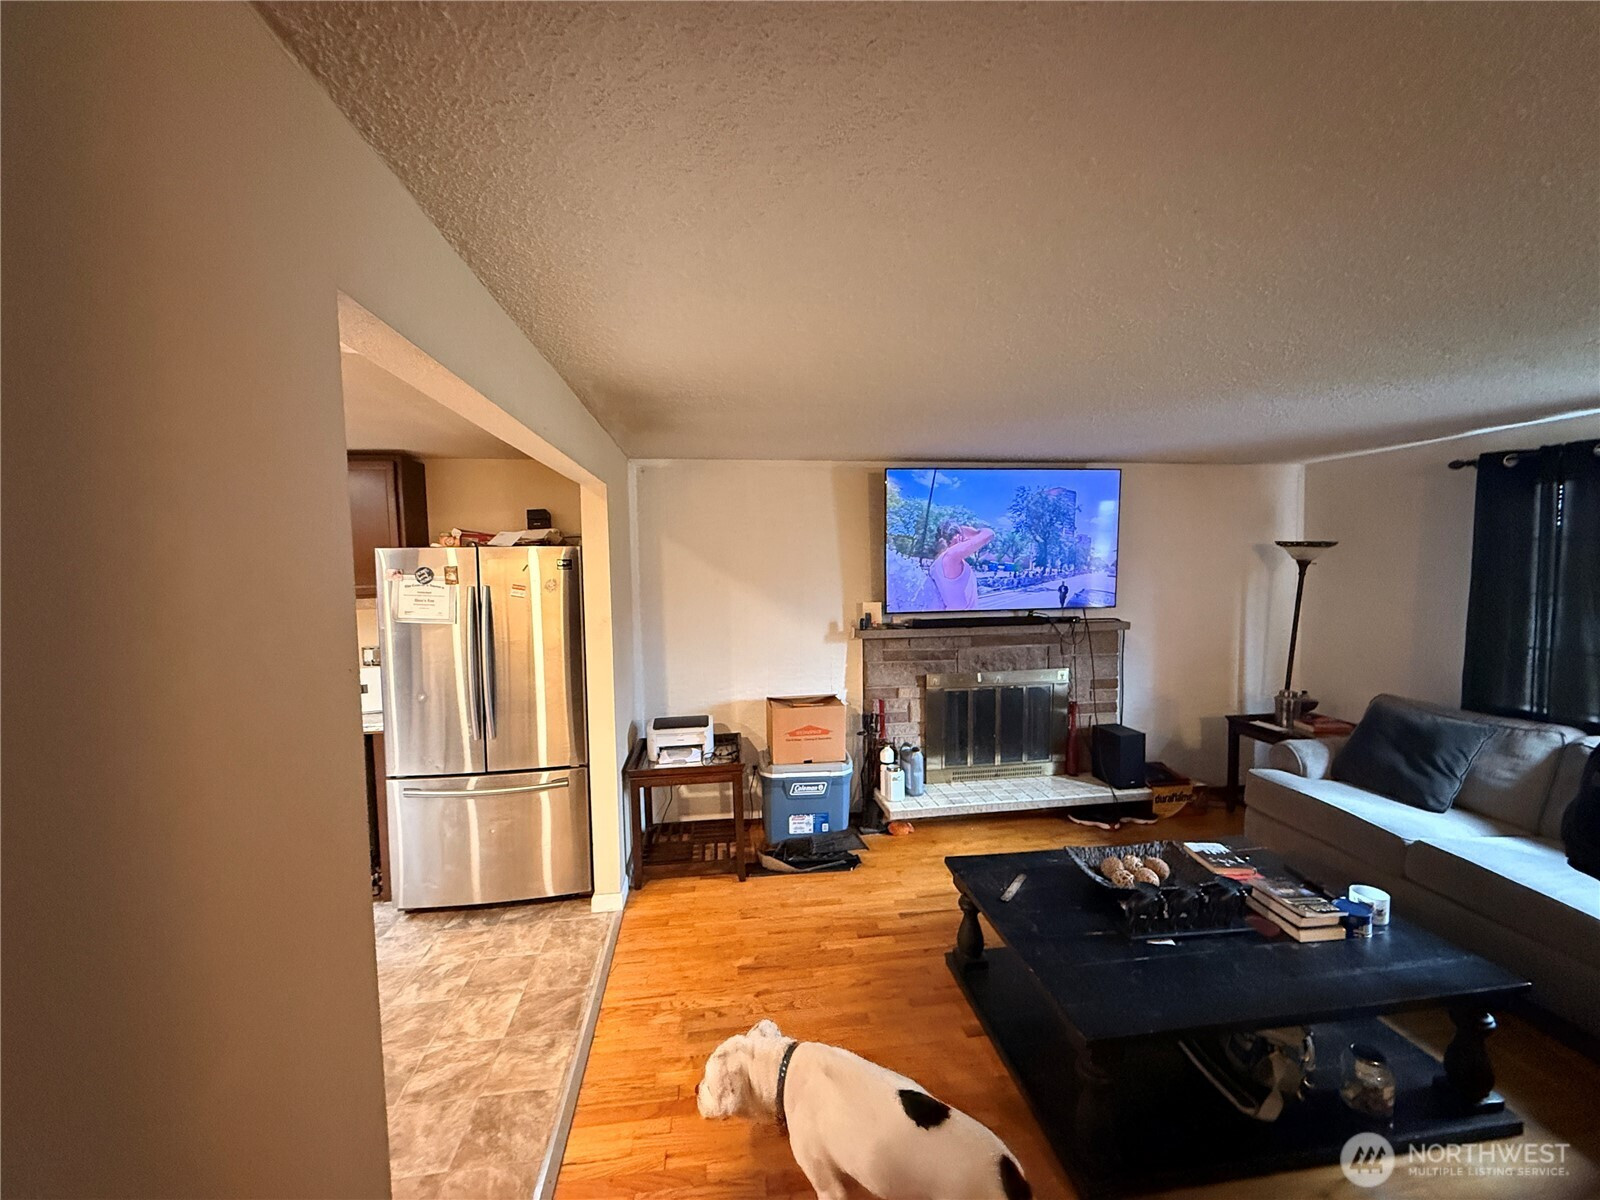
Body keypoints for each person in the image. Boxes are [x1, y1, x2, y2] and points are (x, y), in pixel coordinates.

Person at [928, 520, 994, 610]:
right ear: (957, 537)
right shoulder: (951, 556)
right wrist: (974, 532)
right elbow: (988, 534)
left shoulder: (937, 565)